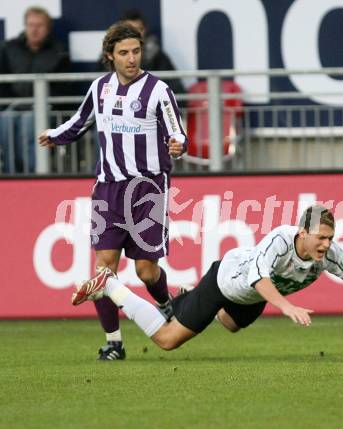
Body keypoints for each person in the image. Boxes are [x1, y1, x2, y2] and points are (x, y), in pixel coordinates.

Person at [38, 22, 188, 360]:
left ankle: (165, 303)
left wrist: (178, 145)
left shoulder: (158, 90)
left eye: (136, 51)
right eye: (124, 53)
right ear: (110, 55)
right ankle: (114, 343)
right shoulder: (99, 88)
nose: (132, 58)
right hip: (107, 190)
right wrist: (55, 134)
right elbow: (80, 121)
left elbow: (177, 132)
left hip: (148, 189)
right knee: (103, 271)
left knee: (146, 271)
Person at [71, 205, 343, 353]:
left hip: (252, 298)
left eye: (329, 238)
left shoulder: (328, 254)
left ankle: (188, 299)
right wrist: (285, 305)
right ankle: (110, 285)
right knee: (168, 339)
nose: (325, 244)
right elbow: (258, 276)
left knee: (231, 326)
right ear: (302, 232)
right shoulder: (280, 240)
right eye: (319, 237)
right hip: (228, 280)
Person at [0, 6, 71, 173]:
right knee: (5, 121)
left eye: (40, 25)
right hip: (13, 106)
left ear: (48, 28)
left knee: (29, 122)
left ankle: (32, 174)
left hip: (44, 109)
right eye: (31, 25)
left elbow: (63, 87)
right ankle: (12, 174)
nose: (34, 30)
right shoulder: (9, 48)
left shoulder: (59, 52)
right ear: (25, 26)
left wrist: (45, 103)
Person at [97, 10, 186, 102]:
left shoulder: (156, 55)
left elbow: (178, 92)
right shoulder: (109, 56)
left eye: (139, 29)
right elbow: (98, 93)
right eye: (123, 53)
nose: (132, 59)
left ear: (145, 30)